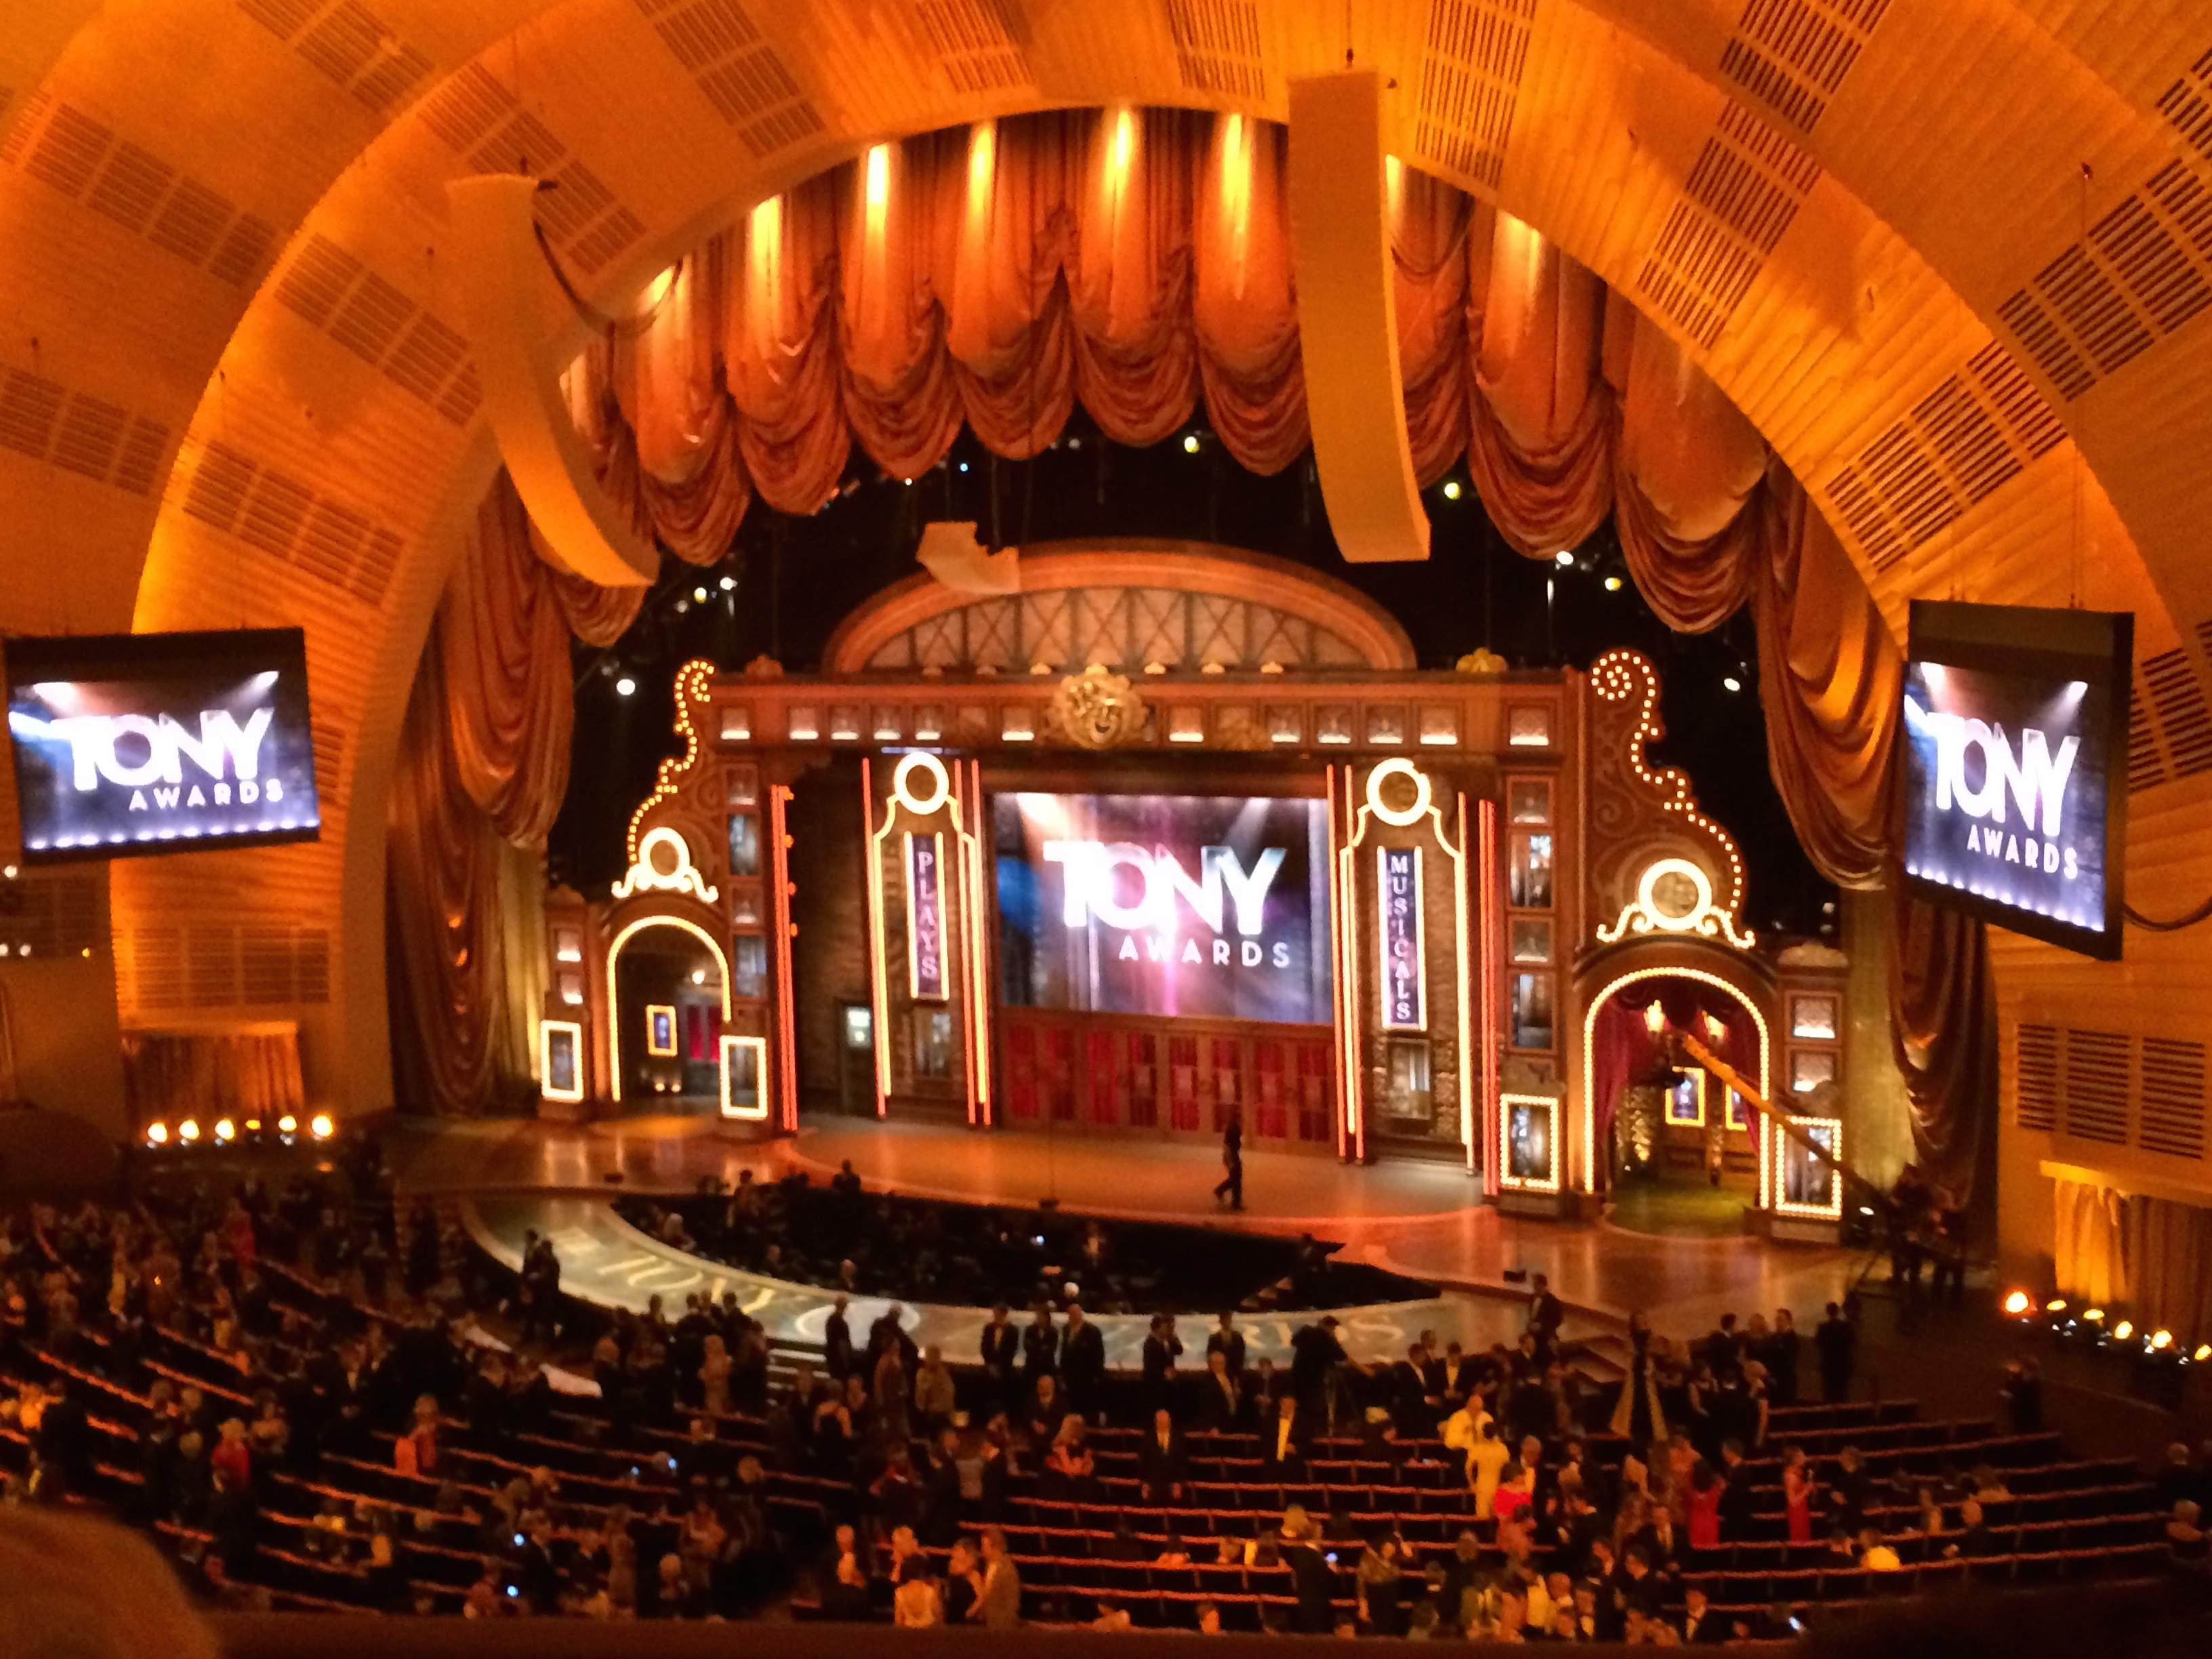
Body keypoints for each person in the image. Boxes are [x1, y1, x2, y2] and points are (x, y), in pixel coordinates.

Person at [1061, 1302, 1105, 1419]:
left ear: (1081, 1314)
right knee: (1073, 1407)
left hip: (1087, 1377)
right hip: (1071, 1377)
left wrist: (1097, 1375)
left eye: (1075, 1313)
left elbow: (1099, 1355)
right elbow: (1064, 1352)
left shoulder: (1092, 1331)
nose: (1073, 1316)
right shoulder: (1066, 1329)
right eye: (1071, 1314)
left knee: (1087, 1409)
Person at [1139, 1408, 1188, 1507]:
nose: (1163, 1423)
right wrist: (1145, 1483)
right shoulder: (1148, 1437)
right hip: (1154, 1484)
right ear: (1155, 1422)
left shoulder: (1178, 1437)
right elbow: (1143, 1461)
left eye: (1165, 1421)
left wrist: (1179, 1483)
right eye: (1160, 1421)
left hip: (1172, 1483)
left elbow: (1182, 1461)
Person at [977, 1525, 1021, 1629]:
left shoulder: (1007, 1570)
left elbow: (1012, 1602)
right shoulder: (989, 1567)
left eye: (984, 1546)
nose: (982, 1550)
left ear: (994, 1546)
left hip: (1001, 1626)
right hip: (990, 1625)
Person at [981, 1303, 1020, 1414]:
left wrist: (1000, 1367)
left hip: (1005, 1370)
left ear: (1004, 1314)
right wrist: (991, 1366)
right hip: (990, 1369)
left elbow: (1012, 1351)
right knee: (989, 1395)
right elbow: (984, 1349)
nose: (996, 1316)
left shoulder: (1013, 1330)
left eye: (998, 1314)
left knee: (1003, 1396)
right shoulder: (988, 1328)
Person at [1815, 1302, 1856, 1403]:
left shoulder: (1823, 1328)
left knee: (1828, 1392)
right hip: (1843, 1364)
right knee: (1842, 1392)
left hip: (1828, 1364)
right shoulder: (1846, 1327)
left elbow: (1818, 1342)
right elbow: (1853, 1341)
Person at [1213, 1110, 1244, 1210]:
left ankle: (1220, 1190)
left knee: (1234, 1178)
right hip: (1232, 1154)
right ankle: (1236, 1203)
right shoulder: (1235, 1128)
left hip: (1229, 1154)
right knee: (1236, 1178)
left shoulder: (1231, 1127)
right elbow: (1234, 1145)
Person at [1206, 1310, 1246, 1378]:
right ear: (1220, 1321)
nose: (1227, 1322)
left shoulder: (1238, 1337)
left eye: (1228, 1319)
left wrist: (1239, 1371)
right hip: (1219, 1373)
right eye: (1225, 1320)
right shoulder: (1214, 1338)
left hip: (1235, 1372)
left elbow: (1241, 1355)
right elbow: (1210, 1356)